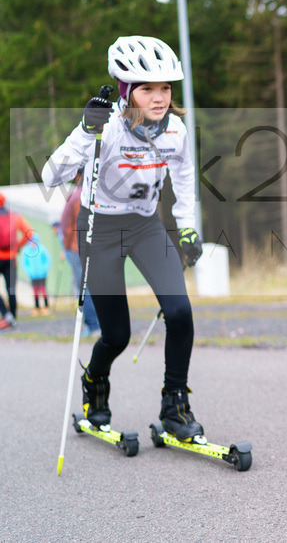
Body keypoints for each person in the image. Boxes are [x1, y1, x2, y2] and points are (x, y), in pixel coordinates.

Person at [41, 35, 207, 439]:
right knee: (116, 336)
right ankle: (95, 386)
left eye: (165, 88)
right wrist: (84, 131)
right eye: (147, 88)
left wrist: (186, 225)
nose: (159, 97)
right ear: (126, 90)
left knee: (181, 314)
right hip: (101, 227)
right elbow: (50, 176)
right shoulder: (108, 128)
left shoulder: (176, 131)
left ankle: (175, 404)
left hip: (146, 226)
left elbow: (185, 180)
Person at [58, 175, 101, 337]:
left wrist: (67, 247)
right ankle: (101, 324)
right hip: (98, 248)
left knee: (84, 288)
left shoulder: (75, 196)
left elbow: (66, 225)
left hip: (77, 248)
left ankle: (93, 325)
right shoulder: (98, 196)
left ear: (78, 177)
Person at [0, 191, 36, 330]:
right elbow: (30, 232)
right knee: (11, 290)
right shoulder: (15, 216)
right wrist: (17, 246)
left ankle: (5, 314)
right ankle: (13, 319)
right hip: (11, 258)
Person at [19, 236, 51, 316]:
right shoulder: (26, 251)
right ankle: (37, 307)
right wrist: (29, 271)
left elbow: (47, 259)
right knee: (35, 291)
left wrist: (44, 269)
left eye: (34, 241)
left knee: (43, 290)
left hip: (42, 274)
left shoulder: (42, 249)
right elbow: (24, 263)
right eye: (31, 242)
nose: (32, 243)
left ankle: (46, 307)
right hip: (33, 275)